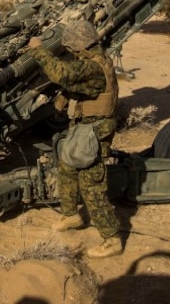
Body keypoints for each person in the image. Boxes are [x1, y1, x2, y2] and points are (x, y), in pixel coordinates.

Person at [29, 18, 123, 259]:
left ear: (80, 46)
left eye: (71, 48)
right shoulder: (92, 60)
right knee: (67, 167)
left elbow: (63, 74)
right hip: (83, 126)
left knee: (92, 185)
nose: (70, 52)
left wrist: (38, 49)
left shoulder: (92, 68)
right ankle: (71, 214)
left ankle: (111, 239)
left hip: (95, 130)